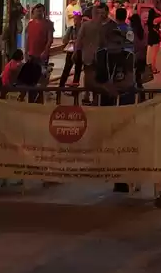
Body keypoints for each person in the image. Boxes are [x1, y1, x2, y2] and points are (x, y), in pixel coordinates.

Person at [90, 24, 141, 192]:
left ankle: (124, 177)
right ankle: (113, 173)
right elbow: (89, 81)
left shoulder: (128, 56)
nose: (115, 46)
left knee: (124, 140)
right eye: (112, 42)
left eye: (118, 42)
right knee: (108, 140)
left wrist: (116, 88)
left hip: (125, 103)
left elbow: (129, 80)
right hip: (105, 104)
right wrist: (105, 88)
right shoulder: (100, 55)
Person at [58, 12, 83, 88]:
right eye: (74, 19)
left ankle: (75, 87)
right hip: (71, 51)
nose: (75, 21)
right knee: (67, 68)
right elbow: (64, 40)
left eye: (77, 19)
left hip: (79, 51)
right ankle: (61, 86)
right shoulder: (71, 28)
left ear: (80, 20)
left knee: (78, 70)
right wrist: (70, 40)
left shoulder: (83, 28)